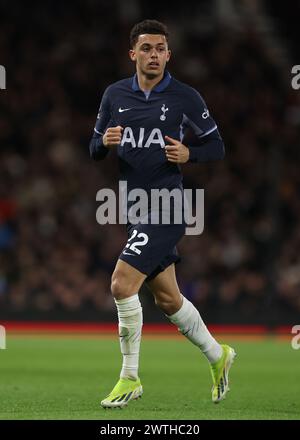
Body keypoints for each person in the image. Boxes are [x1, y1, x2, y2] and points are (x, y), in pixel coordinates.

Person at [89, 19, 236, 408]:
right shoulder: (114, 95)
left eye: (160, 49)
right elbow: (93, 148)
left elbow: (217, 147)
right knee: (169, 299)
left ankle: (129, 378)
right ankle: (217, 355)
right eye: (146, 48)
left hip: (168, 207)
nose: (153, 55)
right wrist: (103, 141)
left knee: (121, 285)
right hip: (134, 208)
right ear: (133, 53)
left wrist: (192, 154)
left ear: (168, 55)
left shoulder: (186, 97)